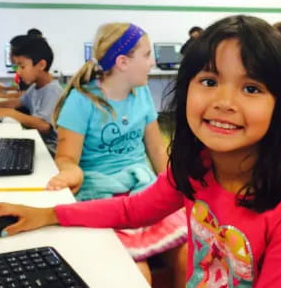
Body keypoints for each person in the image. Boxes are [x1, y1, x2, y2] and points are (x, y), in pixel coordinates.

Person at [0, 15, 281, 287]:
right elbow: (133, 208)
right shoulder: (199, 166)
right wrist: (49, 214)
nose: (224, 103)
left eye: (251, 88)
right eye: (209, 82)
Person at [47, 22, 187, 286]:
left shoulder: (142, 93)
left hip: (143, 189)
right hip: (101, 194)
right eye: (146, 55)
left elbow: (157, 149)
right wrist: (71, 171)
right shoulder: (81, 100)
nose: (152, 61)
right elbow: (66, 159)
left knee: (189, 259)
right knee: (137, 275)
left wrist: (178, 188)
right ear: (123, 62)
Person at [0, 37, 63, 156]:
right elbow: (17, 102)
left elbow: (44, 125)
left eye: (22, 67)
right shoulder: (36, 87)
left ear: (41, 65)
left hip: (50, 152)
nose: (19, 72)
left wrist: (9, 113)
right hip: (38, 144)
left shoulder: (52, 91)